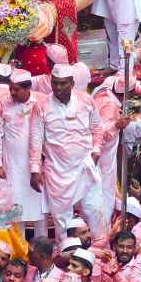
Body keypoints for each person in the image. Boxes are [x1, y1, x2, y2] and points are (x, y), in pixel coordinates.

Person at [30, 64, 103, 239]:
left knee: (93, 211)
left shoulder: (86, 101)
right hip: (57, 171)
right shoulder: (41, 106)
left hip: (85, 166)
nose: (58, 87)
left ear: (72, 83)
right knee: (62, 219)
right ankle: (67, 256)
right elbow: (36, 140)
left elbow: (97, 129)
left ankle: (99, 252)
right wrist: (34, 170)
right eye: (55, 83)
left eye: (63, 83)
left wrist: (96, 153)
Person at [0, 68, 47, 237]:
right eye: (10, 88)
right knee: (16, 208)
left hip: (39, 162)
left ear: (28, 88)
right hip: (14, 165)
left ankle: (42, 246)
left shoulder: (42, 101)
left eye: (16, 89)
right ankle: (19, 249)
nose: (12, 92)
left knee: (41, 207)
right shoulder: (2, 104)